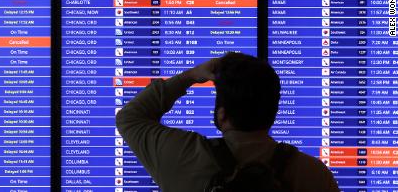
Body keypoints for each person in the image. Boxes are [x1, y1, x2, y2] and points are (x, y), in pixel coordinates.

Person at [116, 52, 340, 192]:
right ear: (273, 113)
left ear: (222, 114)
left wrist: (191, 76)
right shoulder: (312, 174)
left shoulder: (182, 157)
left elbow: (129, 118)